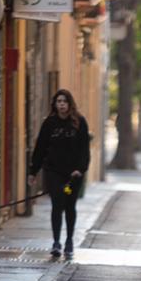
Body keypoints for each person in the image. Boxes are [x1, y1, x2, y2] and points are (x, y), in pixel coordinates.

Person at [28, 89, 91, 261]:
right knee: (57, 203)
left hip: (72, 176)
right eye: (58, 101)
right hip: (54, 172)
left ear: (69, 104)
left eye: (64, 101)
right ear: (55, 104)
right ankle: (56, 242)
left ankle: (69, 240)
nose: (61, 104)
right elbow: (40, 148)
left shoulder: (79, 122)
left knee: (69, 205)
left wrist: (80, 169)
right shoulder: (49, 123)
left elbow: (84, 149)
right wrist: (33, 171)